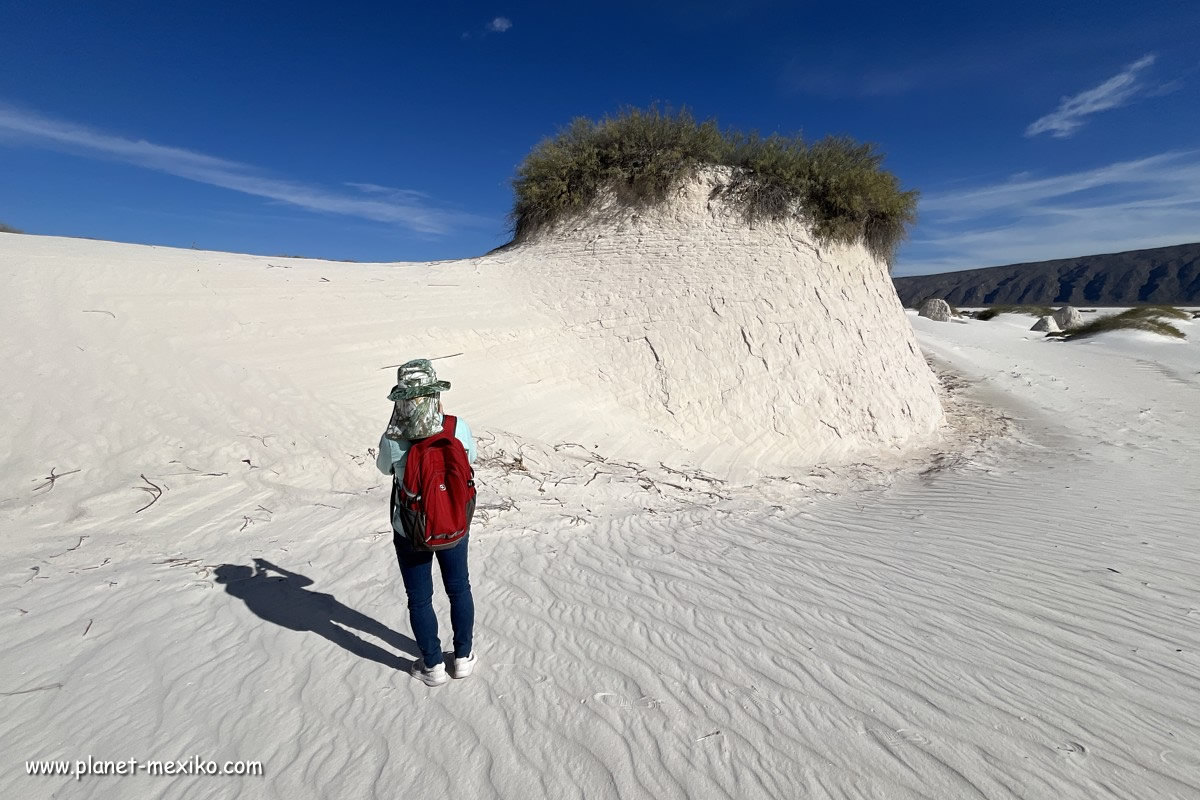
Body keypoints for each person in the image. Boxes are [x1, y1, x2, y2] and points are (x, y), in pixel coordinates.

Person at [376, 358, 478, 687]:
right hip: (453, 521)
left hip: (410, 529)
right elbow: (471, 458)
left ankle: (432, 665)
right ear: (435, 393)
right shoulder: (456, 426)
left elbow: (384, 469)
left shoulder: (393, 438)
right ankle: (462, 658)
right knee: (459, 588)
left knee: (419, 598)